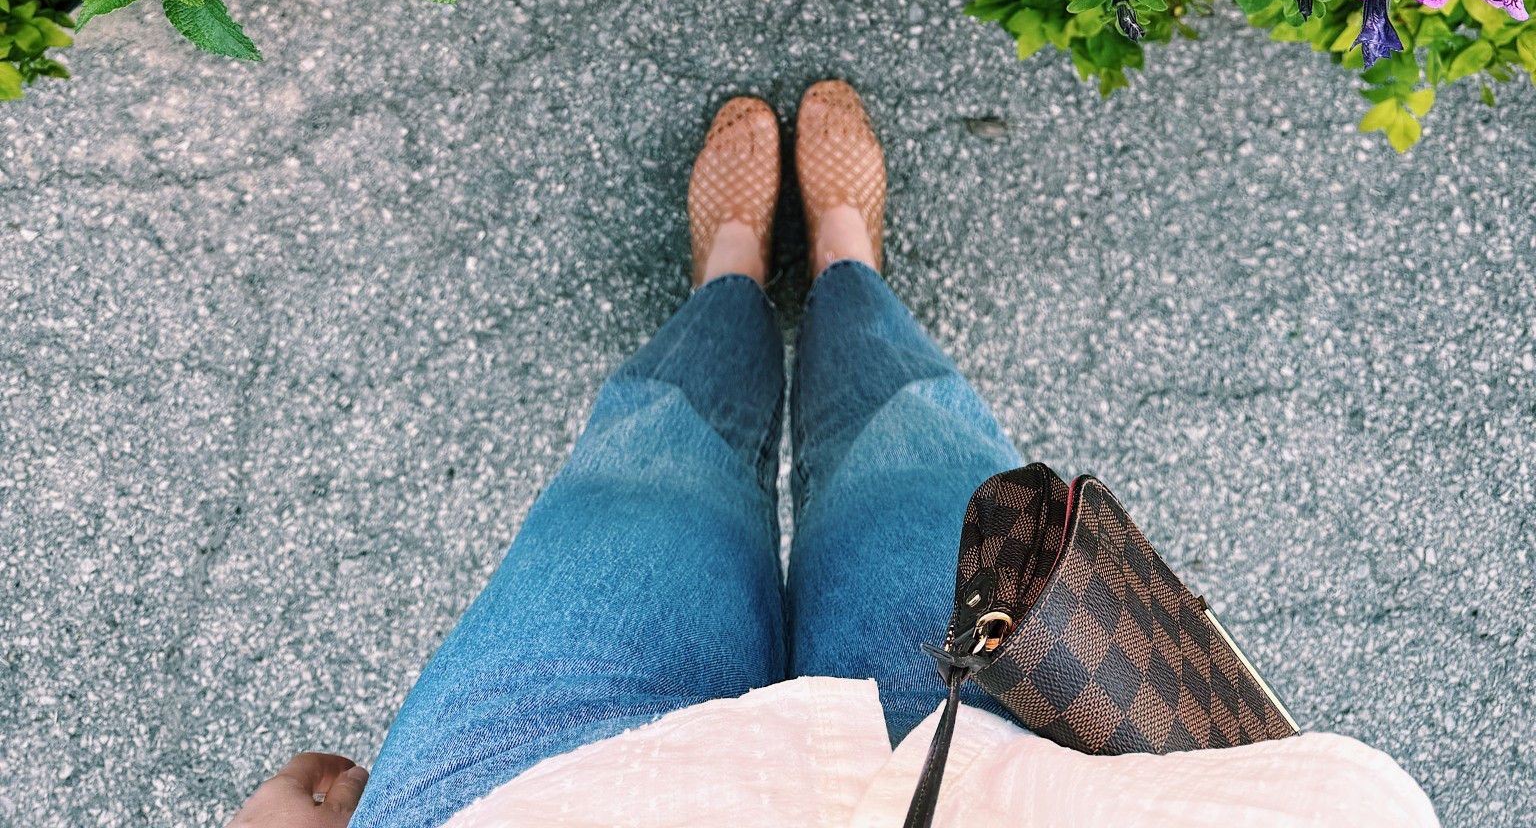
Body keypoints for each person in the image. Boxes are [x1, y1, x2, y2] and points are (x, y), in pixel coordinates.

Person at [231, 84, 1439, 828]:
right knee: (917, 461)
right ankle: (847, 259)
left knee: (648, 477)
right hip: (1009, 782)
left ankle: (736, 271)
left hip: (541, 796)